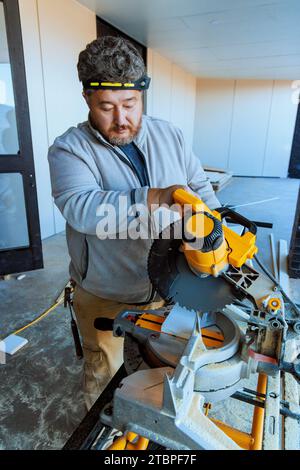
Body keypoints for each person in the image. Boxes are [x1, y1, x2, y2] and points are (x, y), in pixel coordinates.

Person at [48, 36, 220, 410]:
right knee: (105, 375)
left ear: (143, 95)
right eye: (106, 107)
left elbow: (200, 187)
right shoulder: (69, 149)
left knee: (164, 369)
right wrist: (154, 196)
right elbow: (81, 207)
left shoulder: (170, 135)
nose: (121, 118)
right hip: (105, 291)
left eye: (130, 104)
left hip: (169, 284)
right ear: (87, 100)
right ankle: (107, 437)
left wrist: (215, 230)